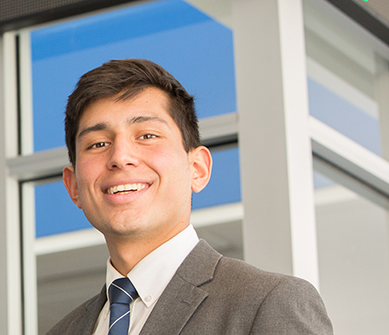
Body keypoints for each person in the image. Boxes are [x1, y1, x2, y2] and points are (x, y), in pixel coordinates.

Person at [47, 59, 332, 335]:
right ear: (73, 186)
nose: (120, 157)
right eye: (98, 143)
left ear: (197, 169)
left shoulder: (267, 304)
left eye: (147, 136)